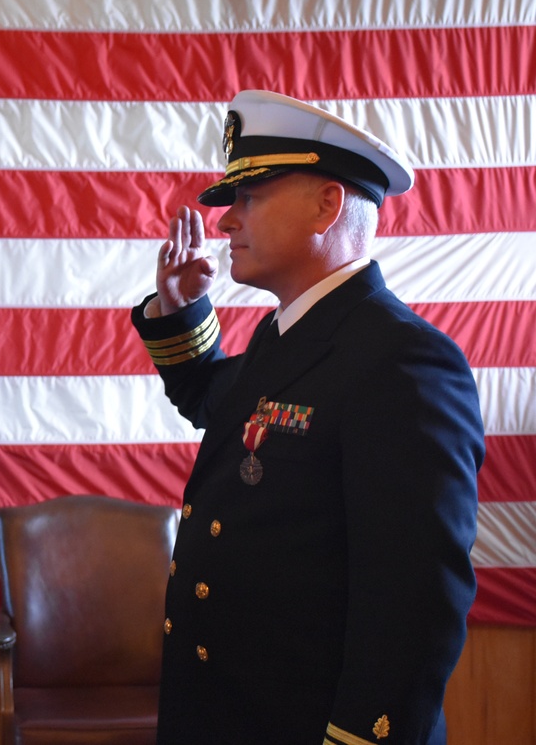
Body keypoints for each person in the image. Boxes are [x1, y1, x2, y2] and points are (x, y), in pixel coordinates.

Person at [131, 90, 484, 744]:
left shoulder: (403, 361)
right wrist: (182, 307)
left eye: (250, 198)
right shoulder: (288, 335)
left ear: (328, 204)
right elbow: (216, 400)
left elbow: (412, 608)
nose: (227, 220)